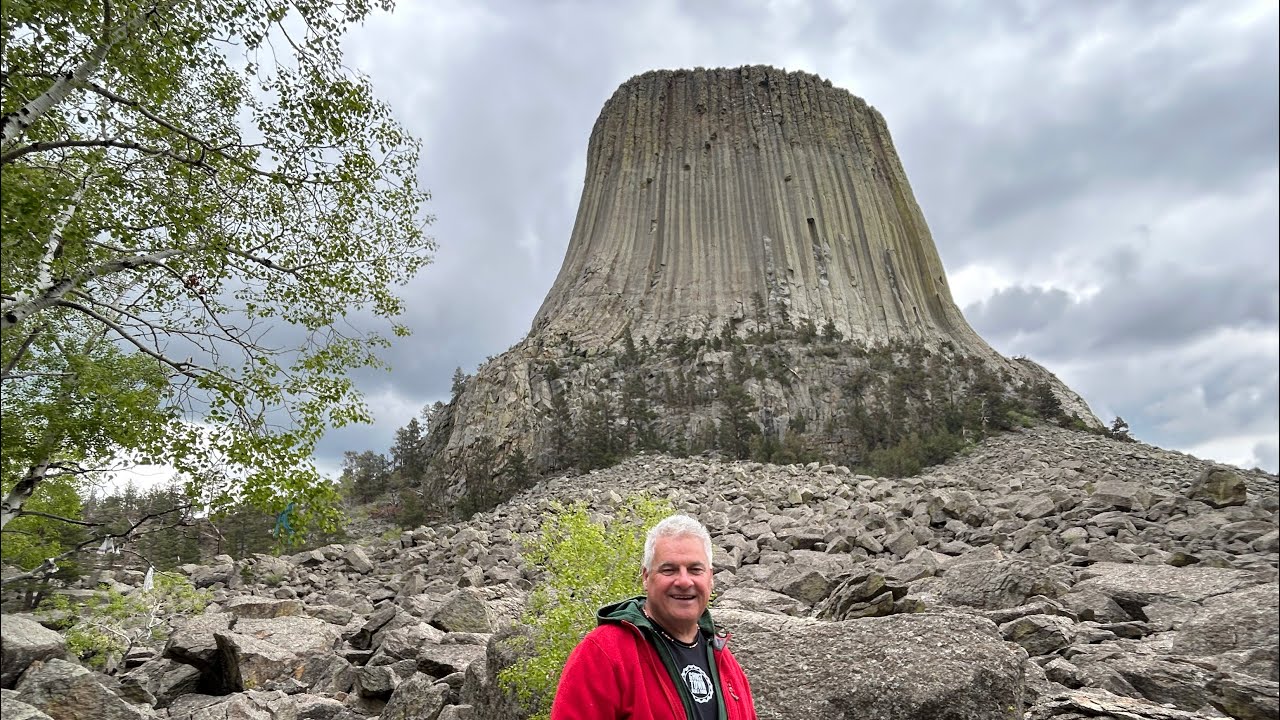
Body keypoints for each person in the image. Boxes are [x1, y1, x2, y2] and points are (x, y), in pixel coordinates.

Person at [550, 513, 757, 719]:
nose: (684, 581)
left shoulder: (724, 661)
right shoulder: (603, 653)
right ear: (646, 577)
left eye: (695, 569)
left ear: (710, 578)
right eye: (669, 570)